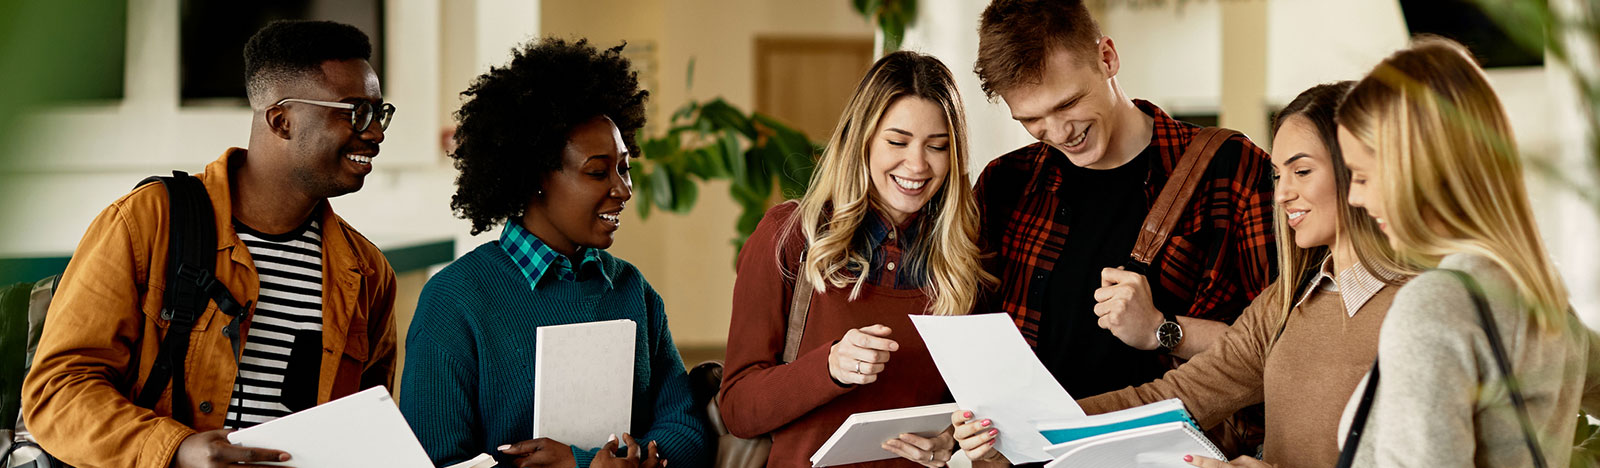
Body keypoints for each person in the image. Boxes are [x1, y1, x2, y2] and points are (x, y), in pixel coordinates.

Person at [20, 20, 398, 467]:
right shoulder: (148, 222)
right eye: (355, 112)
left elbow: (364, 428)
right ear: (281, 120)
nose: (375, 133)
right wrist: (175, 449)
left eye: (380, 113)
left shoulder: (367, 273)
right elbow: (56, 392)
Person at [947, 0, 1277, 462]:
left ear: (1107, 58)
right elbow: (972, 341)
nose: (1060, 132)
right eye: (1031, 119)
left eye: (1069, 103)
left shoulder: (1232, 170)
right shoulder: (1006, 183)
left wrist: (1164, 330)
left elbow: (1283, 350)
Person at [1056, 82, 1413, 468]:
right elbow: (1172, 400)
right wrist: (1031, 428)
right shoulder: (1283, 303)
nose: (1281, 194)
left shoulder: (1419, 306)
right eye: (1278, 176)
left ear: (1360, 170)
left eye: (1302, 171)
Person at [398, 37, 712, 468]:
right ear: (535, 176)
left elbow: (687, 428)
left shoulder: (631, 290)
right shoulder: (455, 301)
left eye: (624, 167)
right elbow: (436, 461)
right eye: (598, 172)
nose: (623, 189)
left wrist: (596, 463)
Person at [718, 50, 995, 468]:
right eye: (897, 142)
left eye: (937, 146)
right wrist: (827, 368)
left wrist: (950, 441)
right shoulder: (789, 237)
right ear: (860, 139)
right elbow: (737, 408)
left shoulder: (963, 260)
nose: (917, 164)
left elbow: (969, 409)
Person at [1332, 36, 1597, 467]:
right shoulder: (1538, 290)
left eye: (1361, 175)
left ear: (1413, 170)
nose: (1354, 198)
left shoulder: (1438, 303)